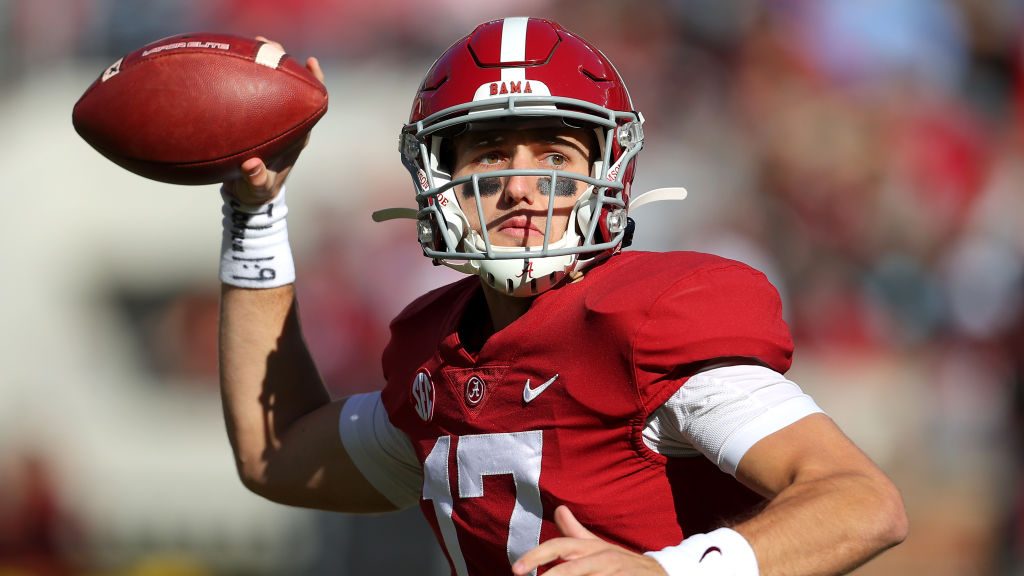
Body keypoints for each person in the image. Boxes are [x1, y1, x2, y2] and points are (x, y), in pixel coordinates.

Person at [217, 18, 907, 576]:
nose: (521, 186)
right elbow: (277, 457)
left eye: (553, 156)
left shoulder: (646, 321)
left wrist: (668, 573)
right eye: (489, 153)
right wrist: (254, 216)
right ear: (437, 175)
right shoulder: (438, 354)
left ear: (607, 171)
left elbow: (861, 501)